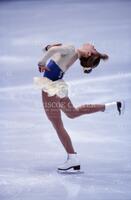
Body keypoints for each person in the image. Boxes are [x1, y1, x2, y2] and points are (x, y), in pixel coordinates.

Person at [35, 42, 124, 171]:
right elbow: (52, 50)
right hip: (59, 86)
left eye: (94, 48)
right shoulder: (74, 54)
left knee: (58, 125)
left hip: (51, 87)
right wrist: (48, 47)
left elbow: (52, 51)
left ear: (88, 53)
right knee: (72, 113)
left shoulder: (71, 49)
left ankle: (72, 159)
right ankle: (109, 107)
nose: (93, 45)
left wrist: (41, 62)